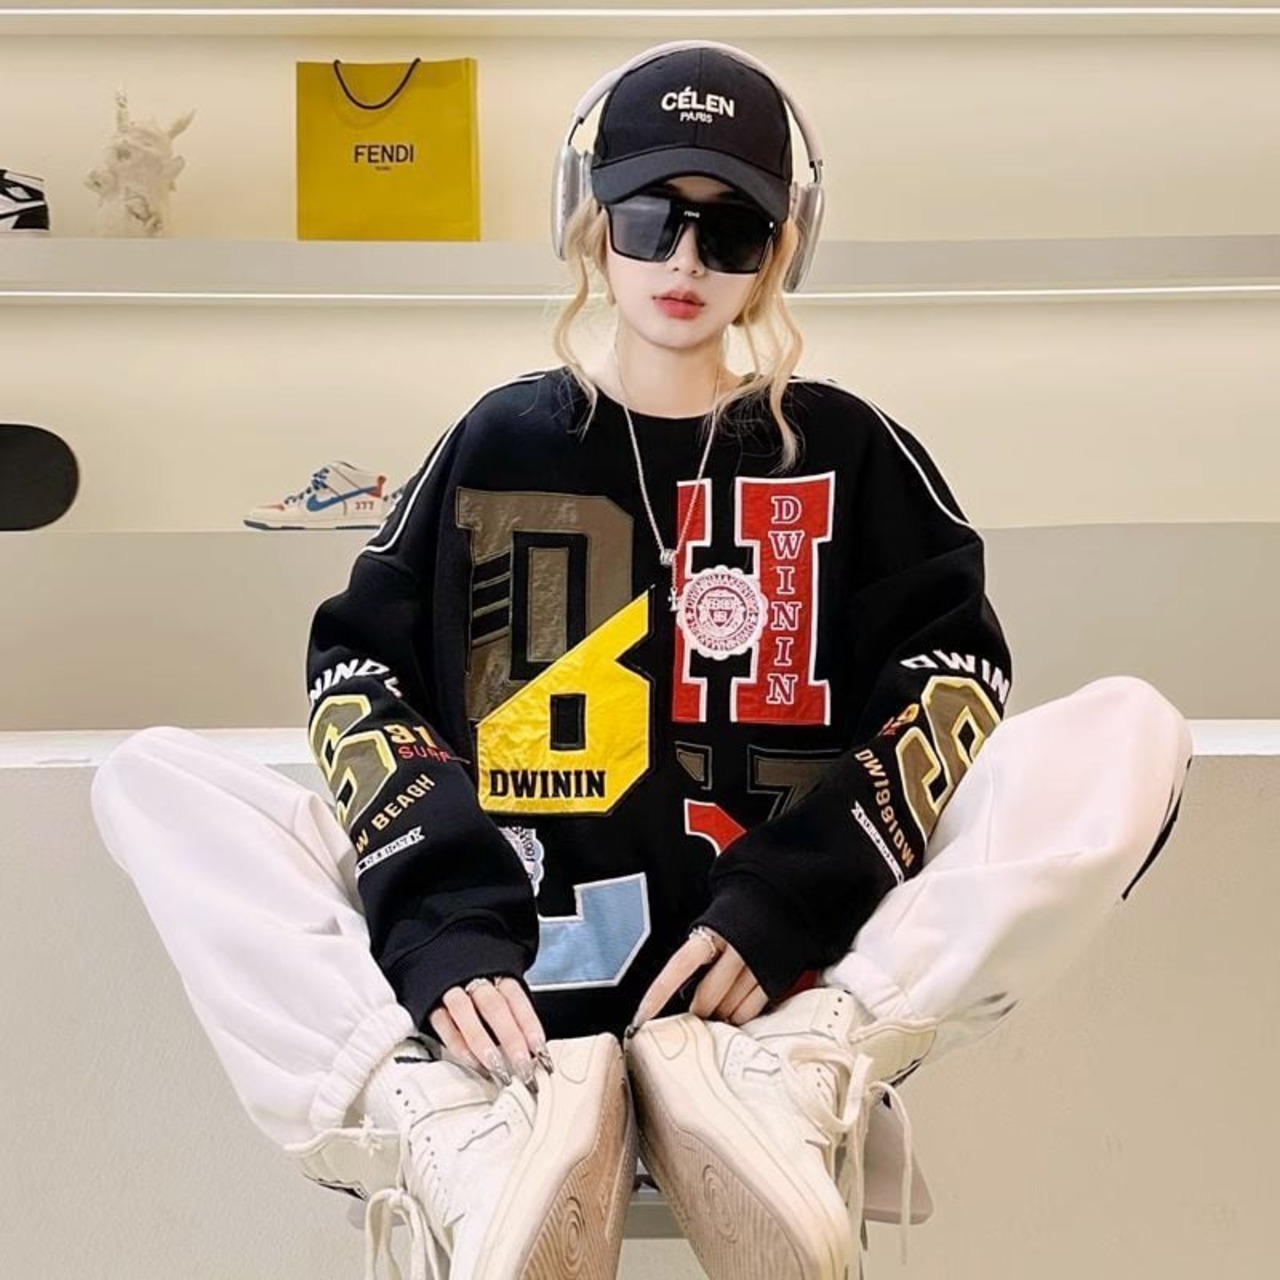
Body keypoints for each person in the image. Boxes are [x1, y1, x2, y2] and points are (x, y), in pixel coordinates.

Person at [91, 40, 1194, 1280]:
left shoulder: (849, 451)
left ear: (782, 249)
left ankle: (808, 1058)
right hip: (509, 1025)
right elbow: (360, 677)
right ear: (587, 222)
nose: (683, 261)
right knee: (152, 781)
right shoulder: (500, 440)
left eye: (731, 231)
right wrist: (443, 922)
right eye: (648, 217)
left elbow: (950, 681)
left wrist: (791, 905)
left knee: (1129, 730)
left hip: (771, 1001)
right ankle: (441, 1114)